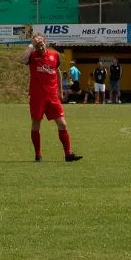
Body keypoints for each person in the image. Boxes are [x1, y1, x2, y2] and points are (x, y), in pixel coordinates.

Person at [23, 33, 81, 163]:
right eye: (37, 46)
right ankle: (38, 154)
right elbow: (22, 59)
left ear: (45, 43)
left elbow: (58, 71)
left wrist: (60, 90)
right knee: (36, 125)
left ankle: (68, 154)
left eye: (42, 44)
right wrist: (31, 45)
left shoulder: (54, 55)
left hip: (52, 96)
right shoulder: (32, 56)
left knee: (62, 124)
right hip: (37, 96)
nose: (40, 48)